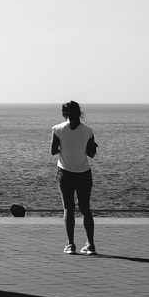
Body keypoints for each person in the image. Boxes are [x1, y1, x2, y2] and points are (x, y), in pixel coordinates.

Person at [50, 100, 98, 255]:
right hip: (83, 173)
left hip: (65, 173)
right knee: (85, 209)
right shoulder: (88, 131)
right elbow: (91, 154)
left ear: (65, 114)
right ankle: (90, 245)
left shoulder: (57, 129)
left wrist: (66, 146)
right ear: (80, 112)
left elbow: (53, 151)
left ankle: (70, 245)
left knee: (68, 209)